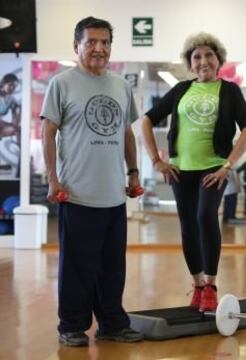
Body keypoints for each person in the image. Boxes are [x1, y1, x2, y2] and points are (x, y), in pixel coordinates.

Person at [41, 16, 144, 347]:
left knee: (113, 267)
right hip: (77, 194)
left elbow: (127, 132)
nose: (99, 48)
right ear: (77, 46)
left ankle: (112, 323)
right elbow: (48, 133)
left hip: (114, 193)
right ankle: (71, 325)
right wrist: (53, 179)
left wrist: (133, 173)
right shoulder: (62, 83)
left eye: (105, 43)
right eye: (91, 42)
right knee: (78, 267)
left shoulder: (120, 85)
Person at [139, 32, 246, 313]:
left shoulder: (229, 91)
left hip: (213, 168)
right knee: (188, 224)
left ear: (218, 60)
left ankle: (211, 286)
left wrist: (227, 165)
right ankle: (198, 285)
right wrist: (157, 160)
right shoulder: (180, 90)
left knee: (205, 215)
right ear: (191, 64)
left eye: (208, 55)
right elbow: (146, 119)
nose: (203, 61)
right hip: (181, 169)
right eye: (197, 57)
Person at [0, 73, 21, 137]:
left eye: (14, 87)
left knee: (16, 129)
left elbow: (15, 123)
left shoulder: (11, 100)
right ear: (3, 84)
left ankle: (22, 146)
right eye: (10, 85)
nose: (12, 88)